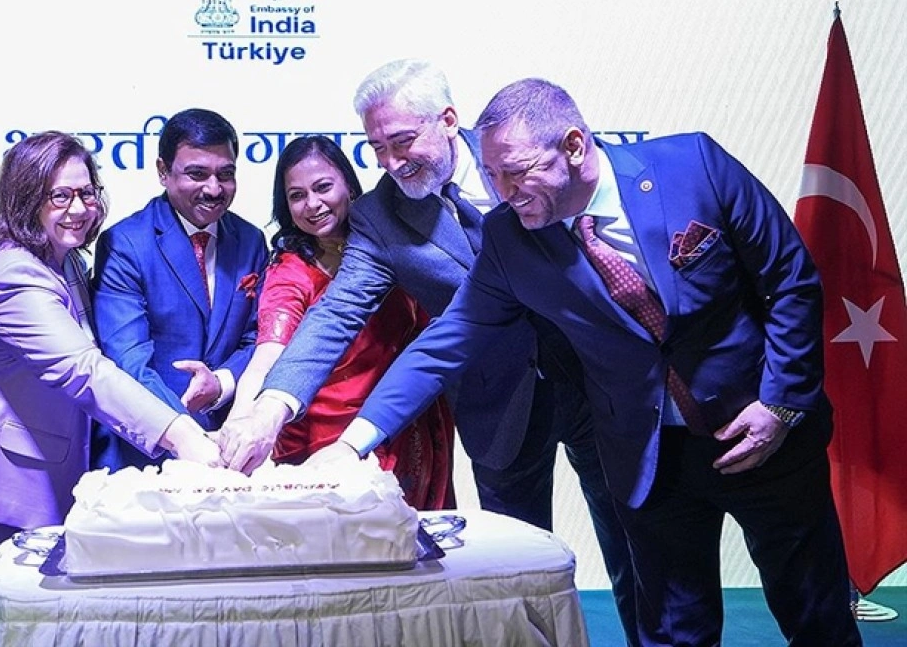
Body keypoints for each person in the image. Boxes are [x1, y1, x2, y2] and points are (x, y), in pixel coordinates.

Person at [313, 77, 862, 646]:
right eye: (493, 175)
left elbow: (790, 281)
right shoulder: (509, 237)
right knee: (675, 635)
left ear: (574, 146)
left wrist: (780, 402)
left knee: (817, 620)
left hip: (762, 436)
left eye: (517, 173)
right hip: (649, 459)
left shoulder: (693, 167)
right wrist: (353, 443)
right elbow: (448, 339)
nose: (502, 192)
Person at [217, 59, 639, 645]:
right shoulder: (381, 216)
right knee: (514, 577)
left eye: (402, 141)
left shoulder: (516, 156)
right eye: (377, 148)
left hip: (602, 388)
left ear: (447, 119)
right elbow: (335, 315)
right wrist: (271, 408)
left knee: (638, 553)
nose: (391, 162)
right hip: (499, 409)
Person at [0, 132, 221, 647]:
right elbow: (84, 371)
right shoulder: (16, 278)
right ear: (27, 200)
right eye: (60, 196)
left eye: (86, 193)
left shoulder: (65, 260)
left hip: (31, 490)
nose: (78, 209)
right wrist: (182, 436)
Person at [224, 135, 455, 509]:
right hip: (326, 437)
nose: (312, 204)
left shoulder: (391, 242)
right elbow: (268, 355)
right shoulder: (291, 271)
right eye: (297, 195)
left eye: (323, 187)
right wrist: (244, 421)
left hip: (407, 419)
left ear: (349, 184)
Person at [90, 108, 269, 471]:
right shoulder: (125, 243)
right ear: (163, 171)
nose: (214, 189)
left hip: (231, 450)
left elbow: (260, 338)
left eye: (226, 174)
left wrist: (222, 383)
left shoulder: (251, 240)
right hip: (145, 456)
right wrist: (186, 435)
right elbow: (128, 362)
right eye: (197, 174)